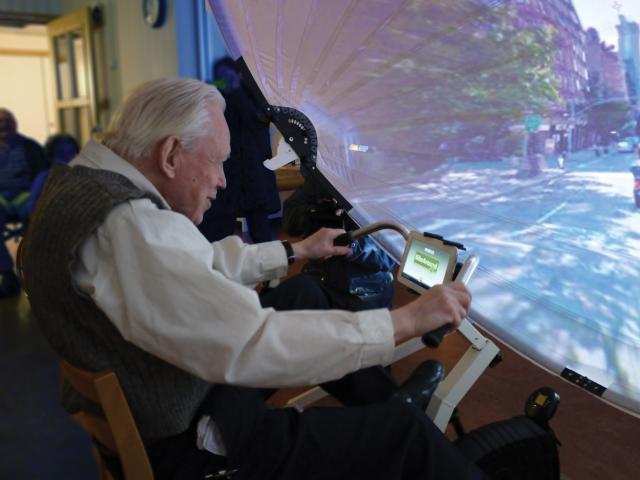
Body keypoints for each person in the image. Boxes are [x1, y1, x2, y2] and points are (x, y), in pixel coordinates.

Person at [21, 77, 483, 480]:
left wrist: (296, 250)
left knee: (303, 290)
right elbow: (252, 343)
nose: (222, 180)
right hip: (190, 444)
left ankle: (382, 402)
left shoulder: (84, 182)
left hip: (157, 392)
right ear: (170, 154)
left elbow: (189, 266)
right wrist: (405, 322)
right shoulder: (127, 226)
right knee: (406, 437)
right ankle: (392, 419)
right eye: (218, 162)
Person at [199, 57, 280, 243]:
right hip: (229, 169)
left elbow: (256, 120)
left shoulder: (254, 92)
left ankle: (270, 267)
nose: (225, 79)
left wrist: (235, 90)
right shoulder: (215, 94)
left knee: (260, 228)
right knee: (221, 226)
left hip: (252, 170)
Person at [0, 108, 46, 298]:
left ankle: (35, 274)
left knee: (39, 220)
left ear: (15, 124)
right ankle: (7, 273)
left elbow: (42, 175)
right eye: (1, 122)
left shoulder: (30, 147)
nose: (4, 125)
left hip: (26, 196)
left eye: (8, 121)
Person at [27, 133, 80, 213]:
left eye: (71, 152)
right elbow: (32, 207)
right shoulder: (44, 178)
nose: (67, 158)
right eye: (61, 153)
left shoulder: (82, 177)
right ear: (50, 157)